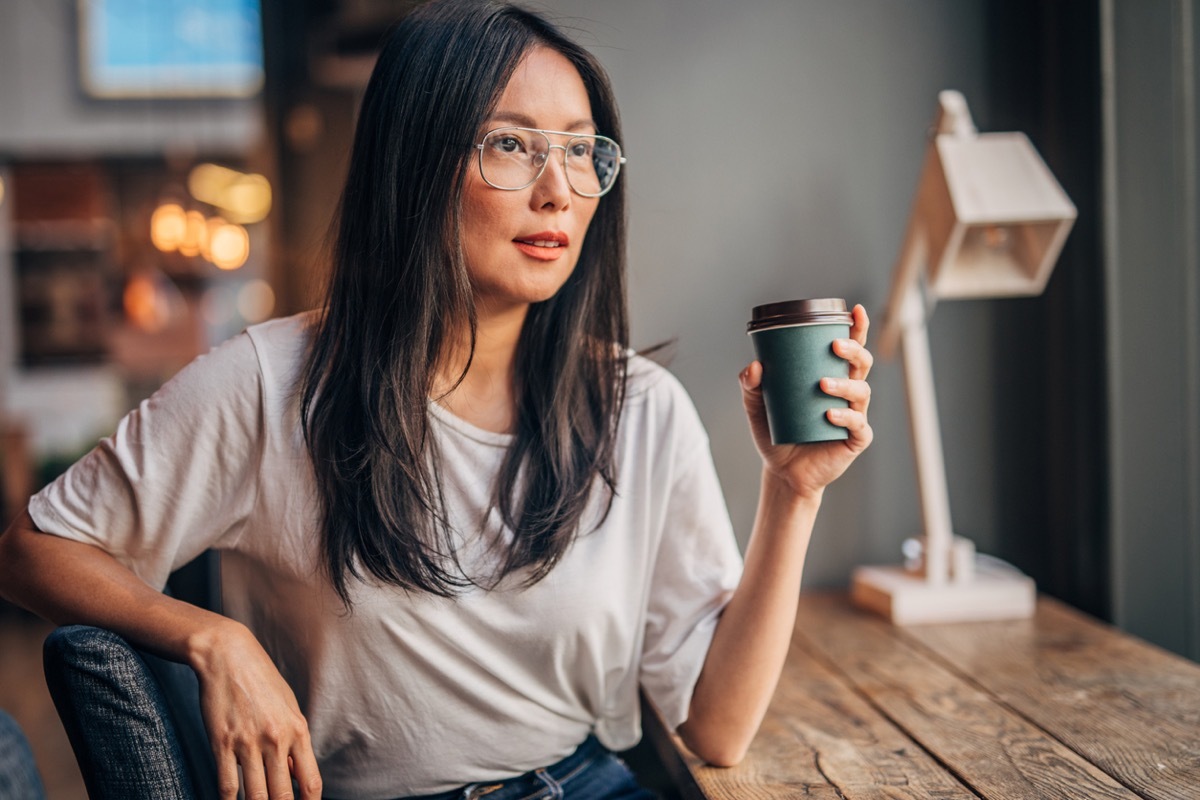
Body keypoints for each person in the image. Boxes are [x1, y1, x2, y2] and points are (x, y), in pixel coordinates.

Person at [0, 1, 874, 798]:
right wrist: (209, 636)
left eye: (580, 149)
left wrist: (793, 493)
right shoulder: (270, 382)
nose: (557, 189)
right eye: (512, 145)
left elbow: (716, 728)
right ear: (415, 161)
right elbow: (33, 549)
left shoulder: (639, 407)